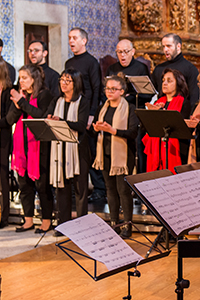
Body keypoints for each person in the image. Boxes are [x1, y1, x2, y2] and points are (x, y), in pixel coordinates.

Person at [90, 75, 139, 238]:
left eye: (113, 89)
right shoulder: (102, 107)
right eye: (107, 88)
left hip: (123, 155)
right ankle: (114, 223)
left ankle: (127, 225)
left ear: (123, 91)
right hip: (105, 153)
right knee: (110, 189)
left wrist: (114, 131)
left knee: (123, 191)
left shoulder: (130, 108)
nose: (109, 92)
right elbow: (93, 129)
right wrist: (96, 128)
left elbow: (133, 132)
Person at [45, 69, 90, 235]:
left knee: (80, 190)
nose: (63, 83)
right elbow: (48, 116)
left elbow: (81, 125)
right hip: (59, 149)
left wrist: (61, 121)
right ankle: (63, 225)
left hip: (78, 150)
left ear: (76, 83)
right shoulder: (57, 101)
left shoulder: (82, 102)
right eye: (62, 80)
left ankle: (82, 226)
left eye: (68, 80)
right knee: (62, 189)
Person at [10, 64, 53, 233]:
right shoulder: (22, 96)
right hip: (21, 146)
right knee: (24, 185)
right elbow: (10, 119)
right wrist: (18, 104)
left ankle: (46, 220)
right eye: (20, 78)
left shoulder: (44, 94)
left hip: (38, 145)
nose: (20, 81)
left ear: (34, 79)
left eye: (24, 78)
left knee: (42, 185)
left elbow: (40, 115)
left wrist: (21, 102)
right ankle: (28, 220)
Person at [65, 27, 105, 202]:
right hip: (73, 110)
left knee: (90, 150)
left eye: (74, 38)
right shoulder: (68, 63)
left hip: (87, 111)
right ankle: (77, 188)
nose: (71, 41)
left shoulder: (91, 62)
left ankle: (99, 189)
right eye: (69, 38)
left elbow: (96, 88)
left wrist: (91, 114)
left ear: (84, 41)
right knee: (76, 151)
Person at [106, 39, 152, 175]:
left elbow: (147, 95)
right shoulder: (112, 69)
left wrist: (127, 97)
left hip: (134, 111)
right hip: (116, 112)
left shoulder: (140, 68)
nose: (123, 55)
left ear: (132, 52)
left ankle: (138, 177)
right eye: (119, 52)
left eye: (126, 52)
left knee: (137, 147)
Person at [142, 68, 191, 172]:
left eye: (169, 81)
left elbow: (178, 127)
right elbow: (147, 127)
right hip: (157, 148)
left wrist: (160, 112)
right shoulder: (158, 102)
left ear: (178, 83)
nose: (164, 83)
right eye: (163, 80)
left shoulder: (184, 103)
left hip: (176, 149)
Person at [152, 33, 199, 106]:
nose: (165, 49)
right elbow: (149, 93)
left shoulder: (190, 69)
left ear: (178, 46)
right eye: (163, 46)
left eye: (169, 46)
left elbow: (194, 98)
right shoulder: (159, 68)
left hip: (182, 111)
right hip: (161, 110)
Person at [0, 60, 15, 229]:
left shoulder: (8, 91)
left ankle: (4, 217)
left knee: (3, 178)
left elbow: (9, 119)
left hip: (3, 136)